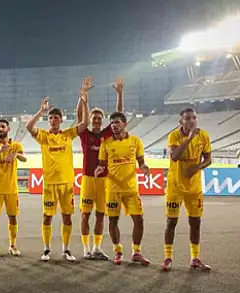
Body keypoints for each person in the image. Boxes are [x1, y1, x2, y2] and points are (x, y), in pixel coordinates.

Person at [25, 86, 89, 262]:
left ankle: (66, 249)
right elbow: (28, 126)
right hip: (50, 184)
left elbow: (85, 124)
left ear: (61, 120)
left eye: (55, 118)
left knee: (67, 217)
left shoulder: (67, 134)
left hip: (66, 183)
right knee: (47, 216)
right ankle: (46, 249)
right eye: (50, 118)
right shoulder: (44, 136)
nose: (53, 120)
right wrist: (41, 111)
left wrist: (84, 102)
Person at [76, 76, 124, 260]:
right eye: (93, 118)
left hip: (104, 180)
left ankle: (97, 247)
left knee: (101, 215)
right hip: (88, 179)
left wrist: (119, 94)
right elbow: (79, 115)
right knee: (85, 215)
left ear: (103, 120)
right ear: (90, 119)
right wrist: (83, 96)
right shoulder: (84, 134)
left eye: (99, 118)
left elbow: (119, 115)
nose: (96, 121)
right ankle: (86, 249)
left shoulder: (107, 133)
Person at [94, 112, 151, 266]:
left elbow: (141, 162)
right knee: (113, 220)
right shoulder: (106, 143)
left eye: (117, 122)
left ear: (125, 124)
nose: (114, 125)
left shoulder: (135, 141)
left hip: (131, 189)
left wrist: (144, 167)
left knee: (139, 219)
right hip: (113, 189)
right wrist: (99, 169)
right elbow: (102, 164)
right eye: (112, 122)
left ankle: (136, 252)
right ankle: (117, 251)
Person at [161, 108, 212, 272]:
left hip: (194, 188)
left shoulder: (203, 136)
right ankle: (168, 257)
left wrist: (197, 167)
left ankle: (195, 258)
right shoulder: (174, 136)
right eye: (187, 118)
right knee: (171, 223)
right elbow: (175, 156)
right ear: (181, 122)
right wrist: (189, 138)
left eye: (194, 117)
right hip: (175, 187)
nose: (191, 121)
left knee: (195, 223)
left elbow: (208, 159)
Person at [0, 119, 26, 257]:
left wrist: (16, 155)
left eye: (3, 126)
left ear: (8, 129)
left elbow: (24, 159)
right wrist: (0, 150)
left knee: (13, 217)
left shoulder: (16, 145)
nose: (0, 129)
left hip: (11, 189)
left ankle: (13, 245)